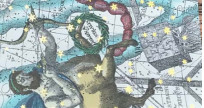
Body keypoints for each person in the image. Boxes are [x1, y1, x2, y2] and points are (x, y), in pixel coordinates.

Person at [8, 20, 156, 108]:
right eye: (22, 80)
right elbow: (76, 99)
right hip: (94, 89)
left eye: (22, 74)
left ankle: (141, 99)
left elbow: (51, 46)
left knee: (92, 56)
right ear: (25, 88)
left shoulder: (45, 68)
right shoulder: (49, 102)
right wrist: (56, 77)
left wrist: (40, 30)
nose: (25, 75)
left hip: (89, 67)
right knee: (107, 56)